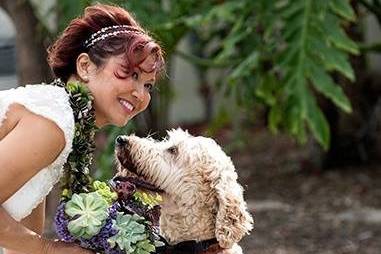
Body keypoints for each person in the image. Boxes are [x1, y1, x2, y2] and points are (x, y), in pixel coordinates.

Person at [0, 3, 164, 254]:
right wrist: (50, 249)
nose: (139, 94)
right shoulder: (52, 124)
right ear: (85, 66)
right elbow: (36, 246)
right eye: (130, 74)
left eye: (148, 85)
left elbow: (22, 241)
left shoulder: (61, 121)